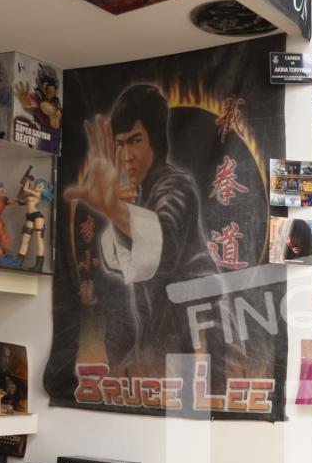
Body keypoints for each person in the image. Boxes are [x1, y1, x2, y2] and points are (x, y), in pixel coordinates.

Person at [64, 82, 227, 383]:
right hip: (159, 335)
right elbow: (123, 264)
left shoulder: (175, 186)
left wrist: (115, 209)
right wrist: (118, 210)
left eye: (135, 140)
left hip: (198, 335)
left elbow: (164, 250)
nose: (126, 155)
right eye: (119, 144)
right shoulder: (137, 195)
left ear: (157, 140)